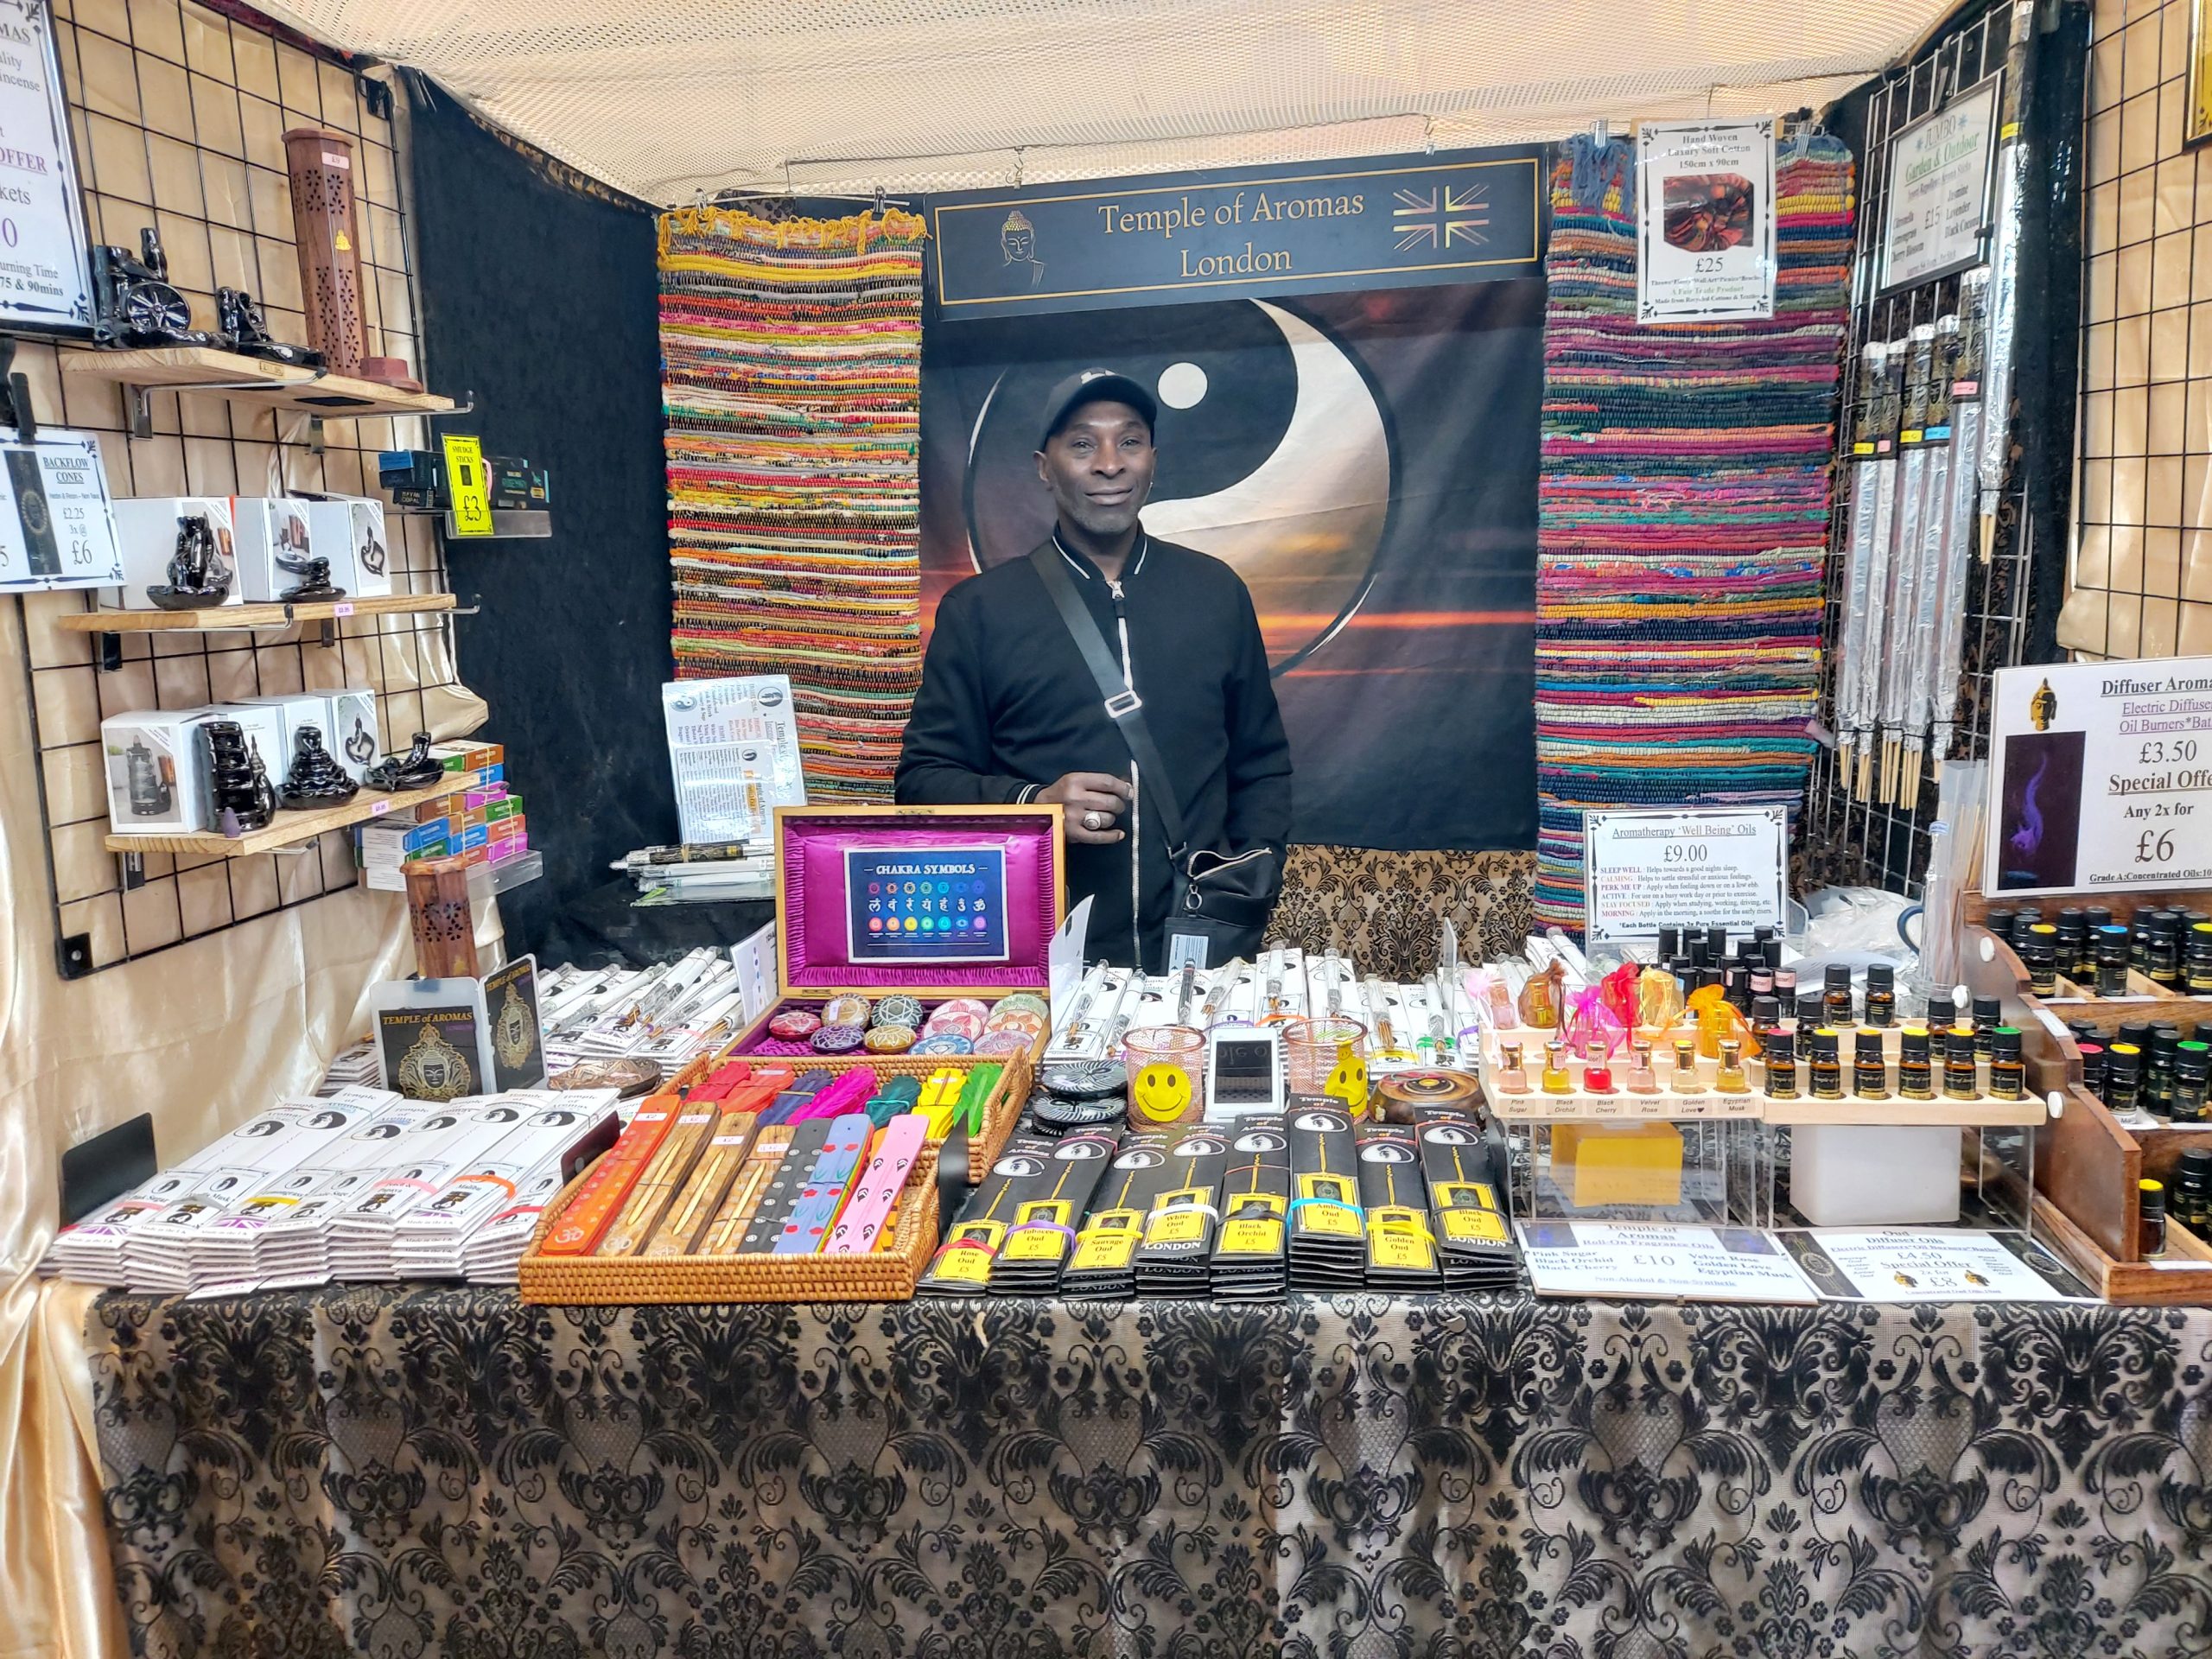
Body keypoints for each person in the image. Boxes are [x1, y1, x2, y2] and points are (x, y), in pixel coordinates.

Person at [896, 369, 1294, 969]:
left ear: (1153, 460)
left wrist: (1249, 880)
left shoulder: (1215, 593)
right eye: (1082, 444)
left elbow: (1262, 764)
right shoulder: (981, 611)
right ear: (1044, 466)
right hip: (1040, 958)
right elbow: (922, 781)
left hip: (1201, 953)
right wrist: (1034, 803)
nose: (1110, 464)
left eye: (1129, 441)